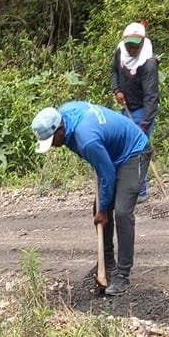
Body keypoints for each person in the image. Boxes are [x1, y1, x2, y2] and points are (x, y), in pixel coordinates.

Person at [32, 101, 151, 297]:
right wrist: (101, 207)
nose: (52, 145)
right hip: (111, 154)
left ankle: (122, 274)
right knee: (100, 208)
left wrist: (103, 209)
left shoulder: (87, 139)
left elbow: (108, 175)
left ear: (60, 129)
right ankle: (107, 263)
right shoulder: (65, 114)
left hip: (134, 152)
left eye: (52, 140)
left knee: (121, 212)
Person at [110, 20, 159, 200]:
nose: (131, 49)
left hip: (143, 111)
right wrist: (117, 90)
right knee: (125, 149)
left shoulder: (148, 63)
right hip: (126, 108)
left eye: (135, 46)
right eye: (129, 45)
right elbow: (114, 71)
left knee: (138, 151)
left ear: (142, 42)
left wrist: (144, 125)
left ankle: (140, 192)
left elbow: (151, 97)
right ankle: (130, 188)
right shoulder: (120, 52)